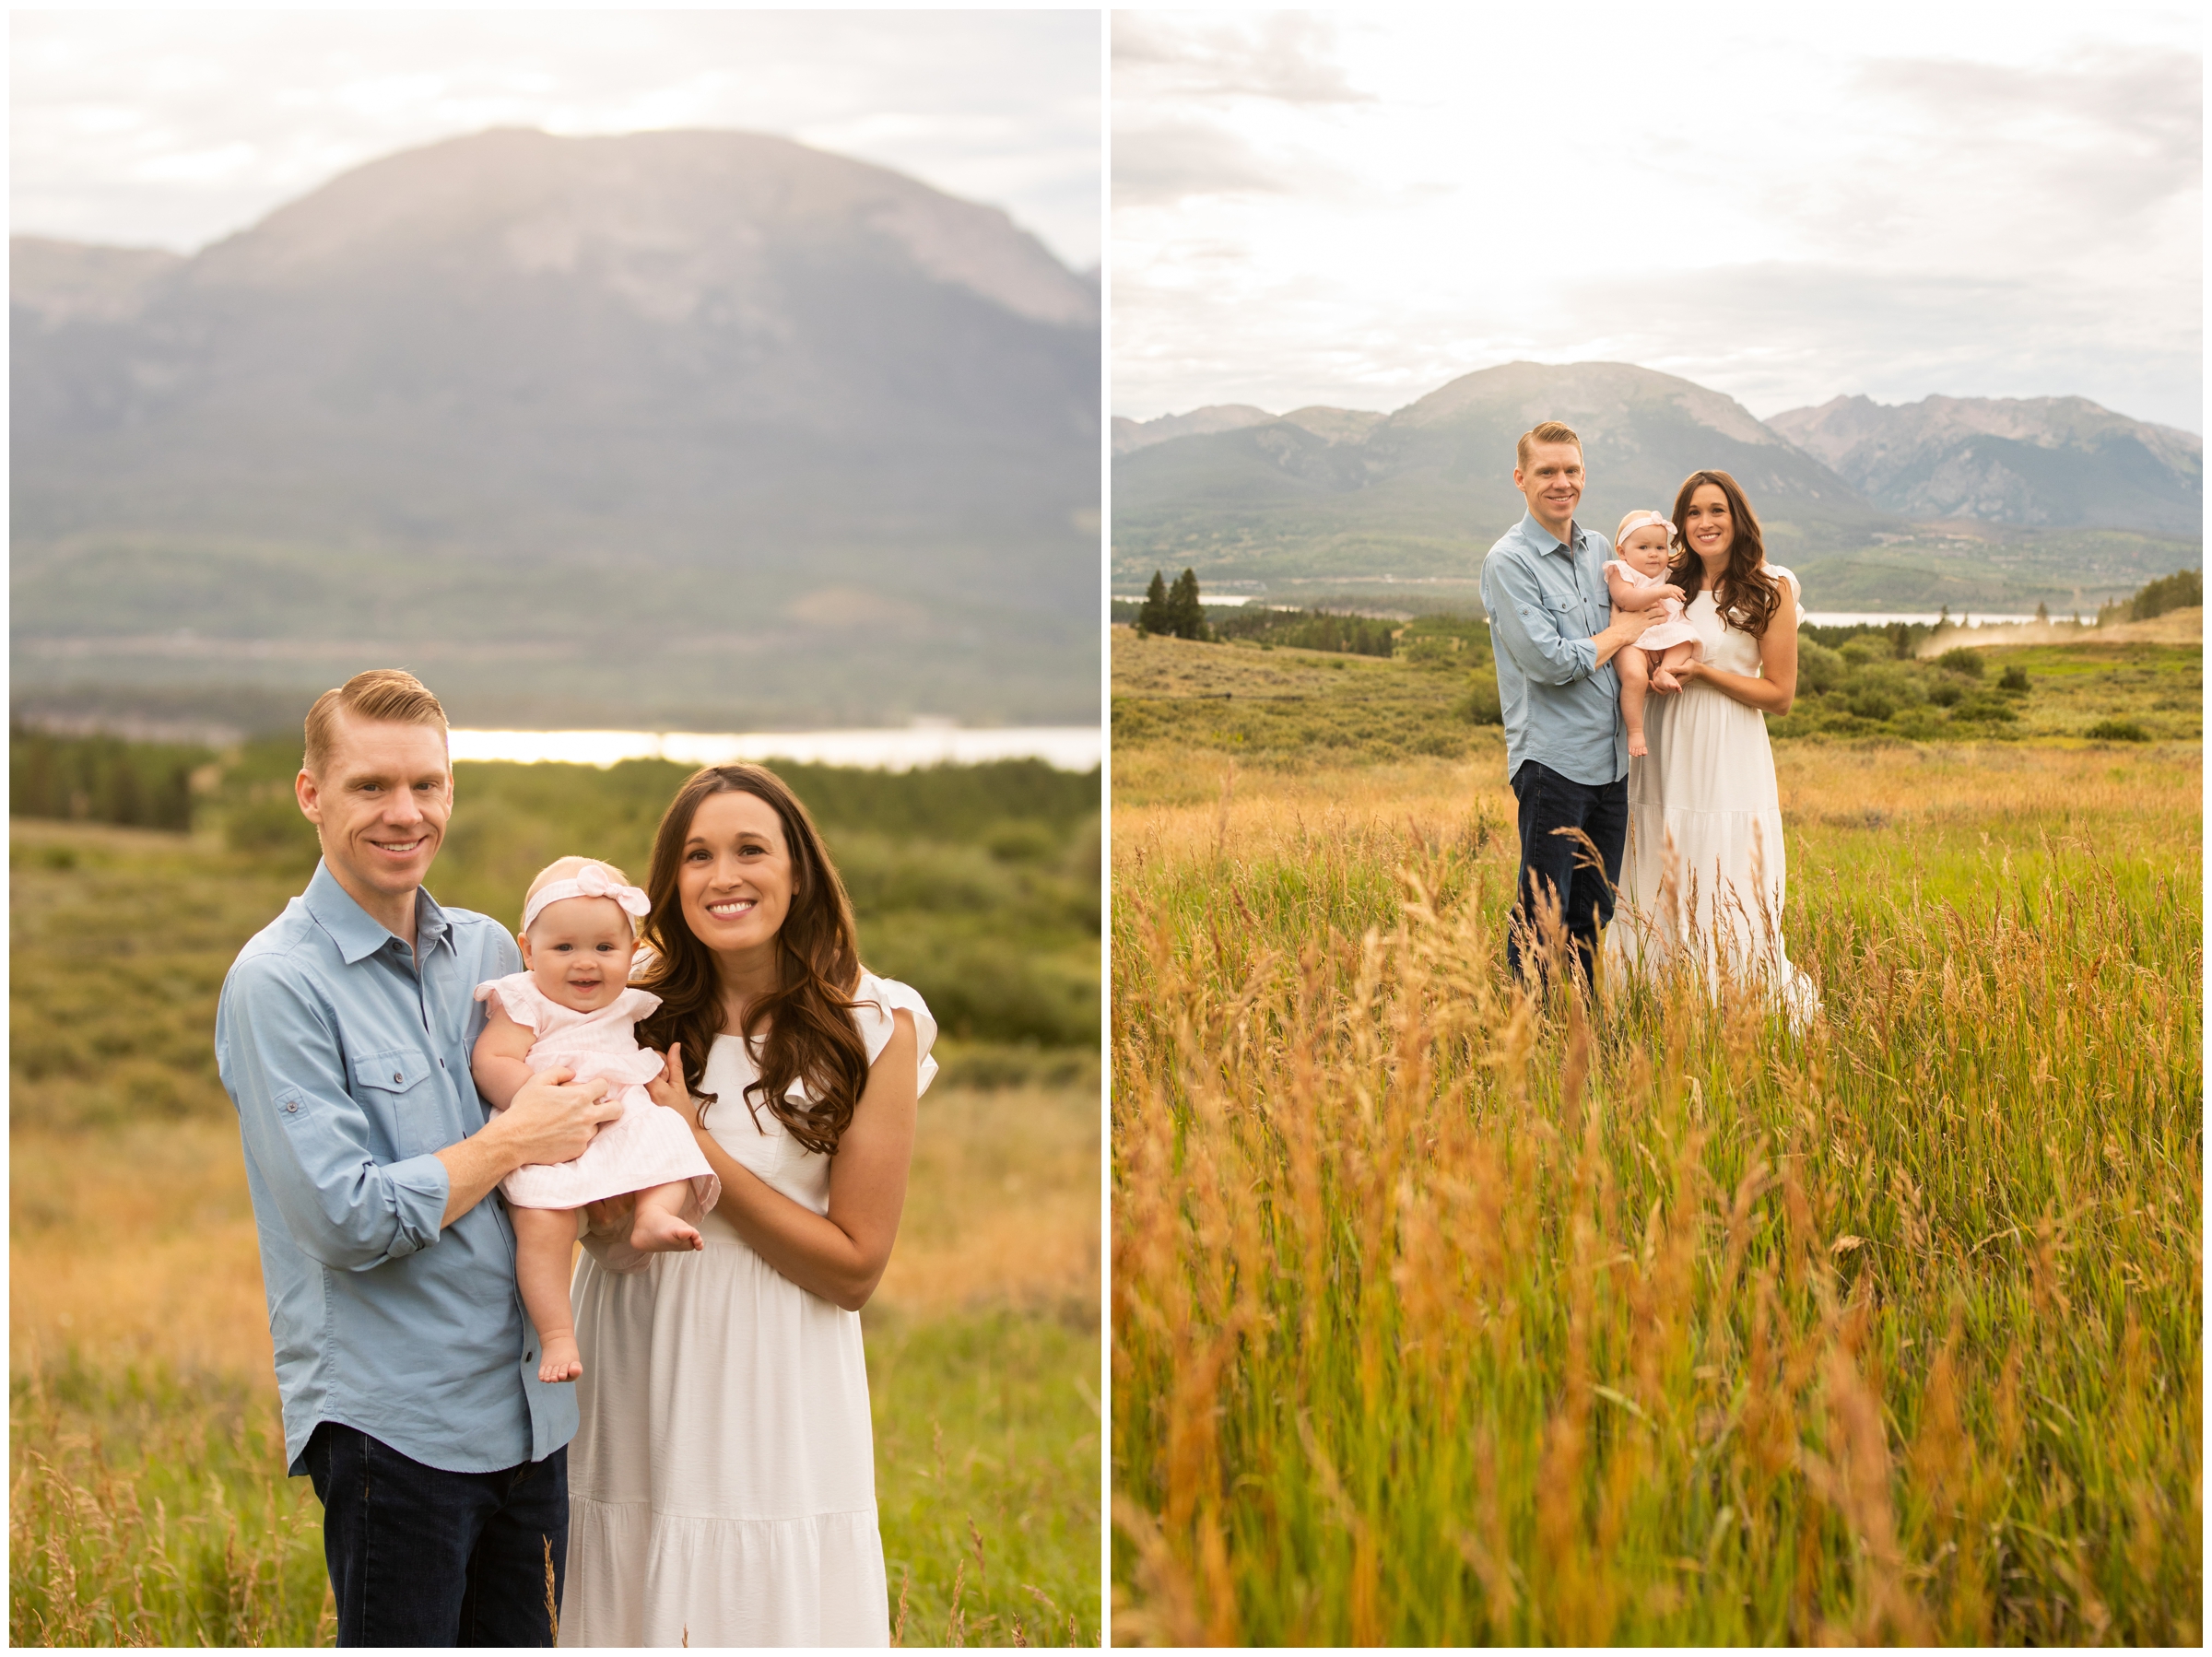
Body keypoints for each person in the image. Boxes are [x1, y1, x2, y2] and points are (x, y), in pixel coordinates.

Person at [214, 669, 628, 1647]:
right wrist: (511, 1140)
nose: (405, 813)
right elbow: (346, 1218)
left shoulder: (492, 951)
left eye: (426, 786)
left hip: (533, 1418)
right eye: (370, 787)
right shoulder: (277, 984)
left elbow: (599, 1065)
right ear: (312, 794)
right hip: (396, 1431)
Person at [559, 763, 937, 1647]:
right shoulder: (626, 1011)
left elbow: (854, 1270)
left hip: (778, 1378)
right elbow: (580, 1199)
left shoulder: (874, 1023)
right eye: (697, 856)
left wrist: (697, 1145)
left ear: (798, 870)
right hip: (633, 1353)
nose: (723, 876)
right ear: (670, 884)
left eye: (750, 850)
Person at [470, 856, 722, 1386]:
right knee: (542, 1222)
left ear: (632, 954)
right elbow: (491, 1061)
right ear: (527, 951)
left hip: (618, 1117)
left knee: (669, 1134)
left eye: (605, 948)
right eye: (563, 948)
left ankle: (654, 1214)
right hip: (549, 1133)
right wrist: (537, 1101)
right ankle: (558, 1333)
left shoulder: (627, 1004)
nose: (585, 963)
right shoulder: (525, 1000)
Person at [1611, 470, 1820, 1015]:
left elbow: (1779, 694)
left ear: (1737, 518)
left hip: (1730, 745)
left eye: (1716, 510)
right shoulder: (1666, 585)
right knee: (1657, 853)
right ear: (1680, 524)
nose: (1705, 522)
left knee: (1723, 860)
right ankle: (1650, 1002)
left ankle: (1730, 1002)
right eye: (1694, 513)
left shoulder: (1770, 587)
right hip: (1662, 740)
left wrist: (1703, 672)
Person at [1480, 419, 1659, 989]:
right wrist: (1625, 631)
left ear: (1584, 475)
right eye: (1547, 471)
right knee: (1542, 915)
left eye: (1571, 470)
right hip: (1552, 764)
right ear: (1520, 478)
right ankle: (1526, 1036)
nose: (1562, 482)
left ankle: (1577, 1026)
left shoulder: (1601, 550)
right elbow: (1551, 662)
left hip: (1610, 764)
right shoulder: (1509, 563)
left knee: (1592, 914)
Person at [1605, 509, 1704, 758]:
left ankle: (1665, 671)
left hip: (1662, 631)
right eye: (1643, 547)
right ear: (1622, 551)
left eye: (1660, 548)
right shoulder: (1620, 571)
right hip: (1632, 641)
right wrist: (1660, 593)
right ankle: (1636, 730)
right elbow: (1626, 600)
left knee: (1686, 639)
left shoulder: (1666, 574)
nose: (1653, 554)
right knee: (1635, 676)